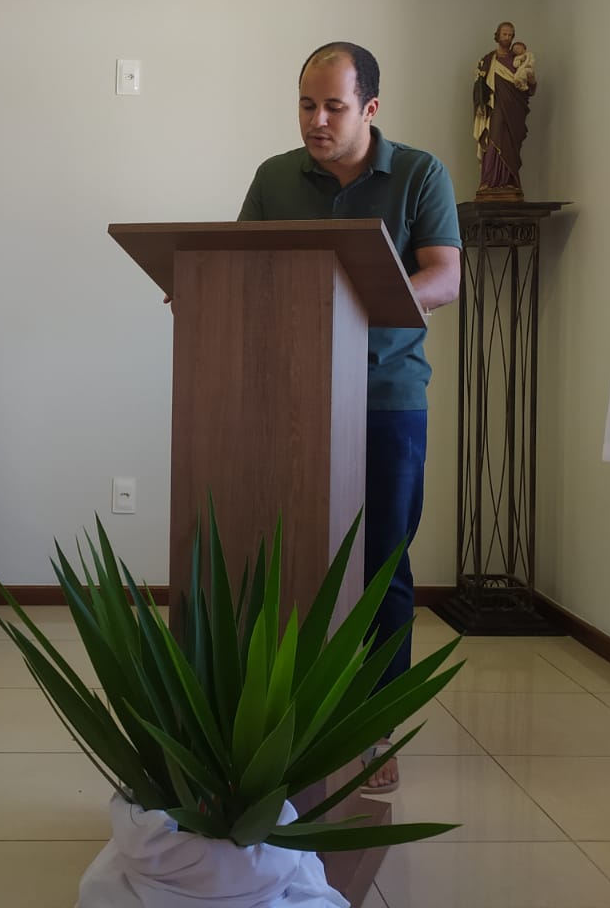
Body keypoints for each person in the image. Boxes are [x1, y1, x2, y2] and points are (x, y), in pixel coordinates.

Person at [238, 41, 461, 793]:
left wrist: (356, 302)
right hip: (285, 397)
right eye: (307, 104)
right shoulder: (274, 177)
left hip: (386, 397)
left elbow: (444, 277)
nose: (317, 120)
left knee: (381, 566)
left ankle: (374, 731)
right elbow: (240, 265)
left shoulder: (421, 173)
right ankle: (279, 717)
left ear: (370, 108)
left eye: (334, 106)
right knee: (287, 553)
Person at [472, 21, 536, 196]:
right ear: (497, 35)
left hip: (514, 110)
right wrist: (479, 104)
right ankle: (489, 181)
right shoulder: (488, 60)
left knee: (510, 144)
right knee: (493, 136)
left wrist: (531, 78)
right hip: (495, 108)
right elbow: (479, 87)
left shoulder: (518, 60)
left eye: (510, 35)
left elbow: (529, 88)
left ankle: (510, 181)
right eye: (504, 34)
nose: (507, 37)